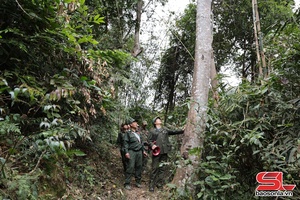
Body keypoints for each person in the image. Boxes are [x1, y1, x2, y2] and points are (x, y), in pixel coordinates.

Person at [148, 116, 184, 192]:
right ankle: (151, 185)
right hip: (157, 152)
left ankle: (159, 184)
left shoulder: (165, 130)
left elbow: (173, 132)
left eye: (159, 119)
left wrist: (182, 130)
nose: (159, 120)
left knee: (162, 169)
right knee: (154, 169)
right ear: (155, 122)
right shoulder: (152, 131)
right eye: (157, 119)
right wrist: (152, 145)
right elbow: (149, 140)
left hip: (164, 151)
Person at [123, 118, 148, 190]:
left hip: (139, 151)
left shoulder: (138, 133)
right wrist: (126, 152)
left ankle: (138, 182)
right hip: (132, 151)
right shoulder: (128, 133)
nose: (136, 123)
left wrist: (143, 151)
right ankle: (127, 183)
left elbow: (141, 143)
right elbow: (125, 143)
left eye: (136, 122)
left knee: (139, 166)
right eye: (134, 122)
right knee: (130, 167)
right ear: (131, 124)